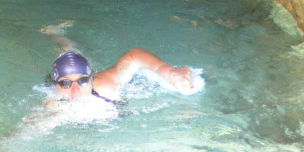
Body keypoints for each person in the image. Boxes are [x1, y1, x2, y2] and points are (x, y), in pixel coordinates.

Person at [49, 49, 197, 102]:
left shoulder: (103, 87)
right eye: (66, 83)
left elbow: (134, 56)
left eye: (82, 80)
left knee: (74, 50)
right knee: (70, 50)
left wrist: (170, 72)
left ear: (91, 79)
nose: (75, 89)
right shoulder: (53, 106)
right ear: (55, 85)